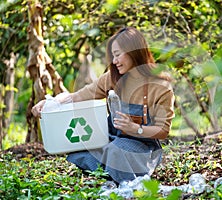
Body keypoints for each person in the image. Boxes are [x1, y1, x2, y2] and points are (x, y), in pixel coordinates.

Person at [31, 27, 175, 184]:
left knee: (116, 151)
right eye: (113, 56)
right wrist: (49, 103)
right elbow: (78, 96)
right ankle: (111, 173)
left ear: (134, 51)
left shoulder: (160, 86)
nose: (114, 61)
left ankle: (125, 179)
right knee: (83, 145)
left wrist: (135, 128)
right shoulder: (112, 78)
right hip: (111, 139)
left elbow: (163, 131)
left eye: (118, 55)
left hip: (142, 146)